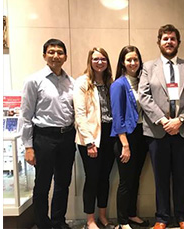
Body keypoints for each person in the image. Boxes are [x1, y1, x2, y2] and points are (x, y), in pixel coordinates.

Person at [137, 24, 184, 229]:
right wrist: (163, 120)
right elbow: (144, 96)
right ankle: (161, 218)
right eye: (165, 38)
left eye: (173, 38)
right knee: (160, 177)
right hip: (158, 131)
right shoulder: (148, 67)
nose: (169, 42)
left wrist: (180, 120)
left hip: (183, 131)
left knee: (181, 177)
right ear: (159, 42)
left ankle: (182, 217)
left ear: (178, 43)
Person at [21, 38, 75, 229]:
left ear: (65, 57)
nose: (55, 56)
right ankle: (43, 224)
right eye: (51, 52)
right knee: (43, 185)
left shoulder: (72, 82)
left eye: (60, 52)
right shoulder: (34, 81)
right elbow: (25, 116)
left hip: (67, 137)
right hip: (44, 138)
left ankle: (58, 222)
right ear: (44, 55)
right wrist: (28, 146)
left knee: (63, 183)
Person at [73, 47, 116, 229]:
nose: (100, 62)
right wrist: (90, 142)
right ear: (90, 61)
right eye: (96, 59)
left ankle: (103, 216)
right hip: (90, 138)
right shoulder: (83, 82)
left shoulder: (110, 82)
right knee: (92, 178)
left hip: (109, 135)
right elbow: (80, 114)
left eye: (103, 59)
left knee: (104, 178)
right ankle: (90, 219)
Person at [109, 45, 150, 229]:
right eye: (129, 60)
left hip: (142, 136)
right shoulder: (118, 84)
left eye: (136, 59)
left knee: (136, 178)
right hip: (126, 138)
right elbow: (117, 117)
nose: (133, 63)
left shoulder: (143, 82)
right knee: (125, 181)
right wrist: (125, 144)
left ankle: (132, 214)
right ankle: (122, 221)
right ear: (123, 63)